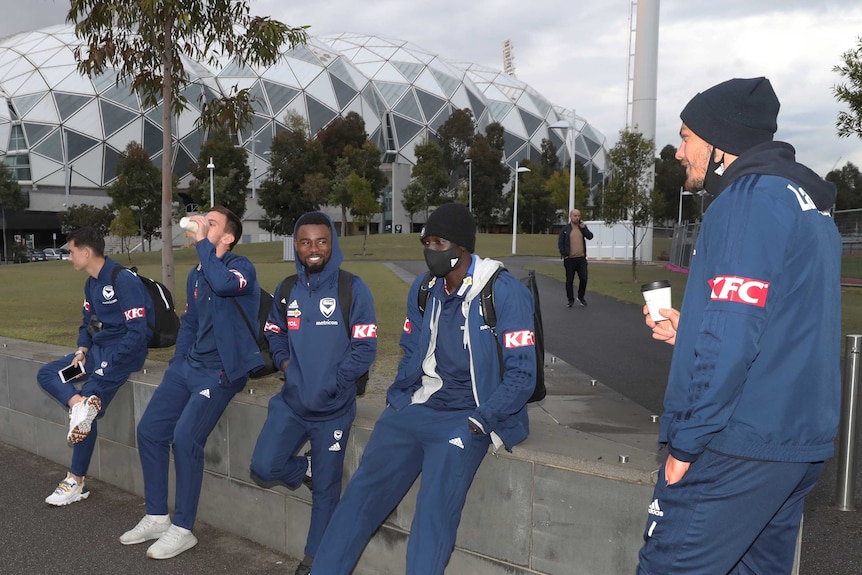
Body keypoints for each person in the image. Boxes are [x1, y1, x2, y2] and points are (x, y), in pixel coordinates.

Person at [637, 77, 841, 575]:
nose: (680, 151)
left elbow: (731, 337)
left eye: (686, 137)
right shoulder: (804, 204)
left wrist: (687, 443)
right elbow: (778, 325)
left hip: (736, 445)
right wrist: (691, 331)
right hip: (793, 446)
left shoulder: (748, 200)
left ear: (719, 143)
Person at [311, 202, 536, 575]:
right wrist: (399, 399)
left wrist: (482, 421)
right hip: (418, 407)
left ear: (462, 248)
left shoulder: (504, 292)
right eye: (426, 241)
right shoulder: (423, 289)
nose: (431, 250)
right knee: (359, 498)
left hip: (469, 417)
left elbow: (523, 374)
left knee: (432, 513)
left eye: (440, 242)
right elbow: (411, 350)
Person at [119, 206, 264, 560]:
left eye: (210, 224)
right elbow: (191, 325)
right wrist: (176, 365)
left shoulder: (240, 268)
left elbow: (224, 284)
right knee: (150, 431)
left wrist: (202, 244)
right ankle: (156, 516)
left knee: (185, 438)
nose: (200, 226)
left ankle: (183, 529)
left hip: (222, 372)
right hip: (188, 368)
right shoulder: (197, 274)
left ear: (228, 238)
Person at [249, 212, 377, 575]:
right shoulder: (287, 288)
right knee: (263, 466)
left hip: (334, 409)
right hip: (291, 404)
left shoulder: (352, 287)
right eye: (305, 242)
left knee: (326, 492)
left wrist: (336, 381)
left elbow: (365, 347)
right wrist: (287, 365)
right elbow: (274, 332)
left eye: (321, 241)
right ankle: (304, 467)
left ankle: (314, 561)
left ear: (332, 244)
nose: (314, 249)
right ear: (296, 246)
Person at [38, 227, 152, 506]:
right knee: (49, 373)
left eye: (72, 251)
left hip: (120, 357)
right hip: (95, 355)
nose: (69, 257)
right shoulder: (91, 283)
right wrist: (82, 350)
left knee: (91, 399)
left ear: (86, 252)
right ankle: (79, 406)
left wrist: (108, 364)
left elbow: (138, 333)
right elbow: (88, 323)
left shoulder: (123, 280)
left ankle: (75, 481)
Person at [557, 208, 593, 307]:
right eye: (575, 216)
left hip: (581, 258)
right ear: (570, 216)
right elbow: (561, 243)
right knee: (569, 280)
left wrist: (584, 228)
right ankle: (570, 300)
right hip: (570, 259)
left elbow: (590, 236)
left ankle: (580, 297)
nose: (577, 218)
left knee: (584, 278)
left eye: (578, 216)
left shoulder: (582, 228)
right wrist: (565, 255)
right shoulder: (565, 229)